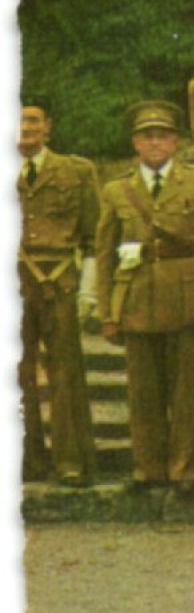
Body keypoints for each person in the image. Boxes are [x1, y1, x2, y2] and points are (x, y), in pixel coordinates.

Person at [95, 101, 194, 494]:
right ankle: (148, 468)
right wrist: (108, 311)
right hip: (137, 298)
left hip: (187, 295)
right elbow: (104, 255)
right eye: (146, 136)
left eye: (163, 136)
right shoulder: (117, 189)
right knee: (143, 392)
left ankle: (184, 468)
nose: (155, 143)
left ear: (176, 142)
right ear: (135, 143)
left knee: (187, 391)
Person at [19, 94, 99, 485]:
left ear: (48, 126)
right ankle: (26, 458)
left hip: (59, 279)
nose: (25, 129)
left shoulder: (76, 170)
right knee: (18, 373)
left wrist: (89, 290)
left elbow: (93, 235)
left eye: (33, 121)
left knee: (66, 371)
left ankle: (71, 460)